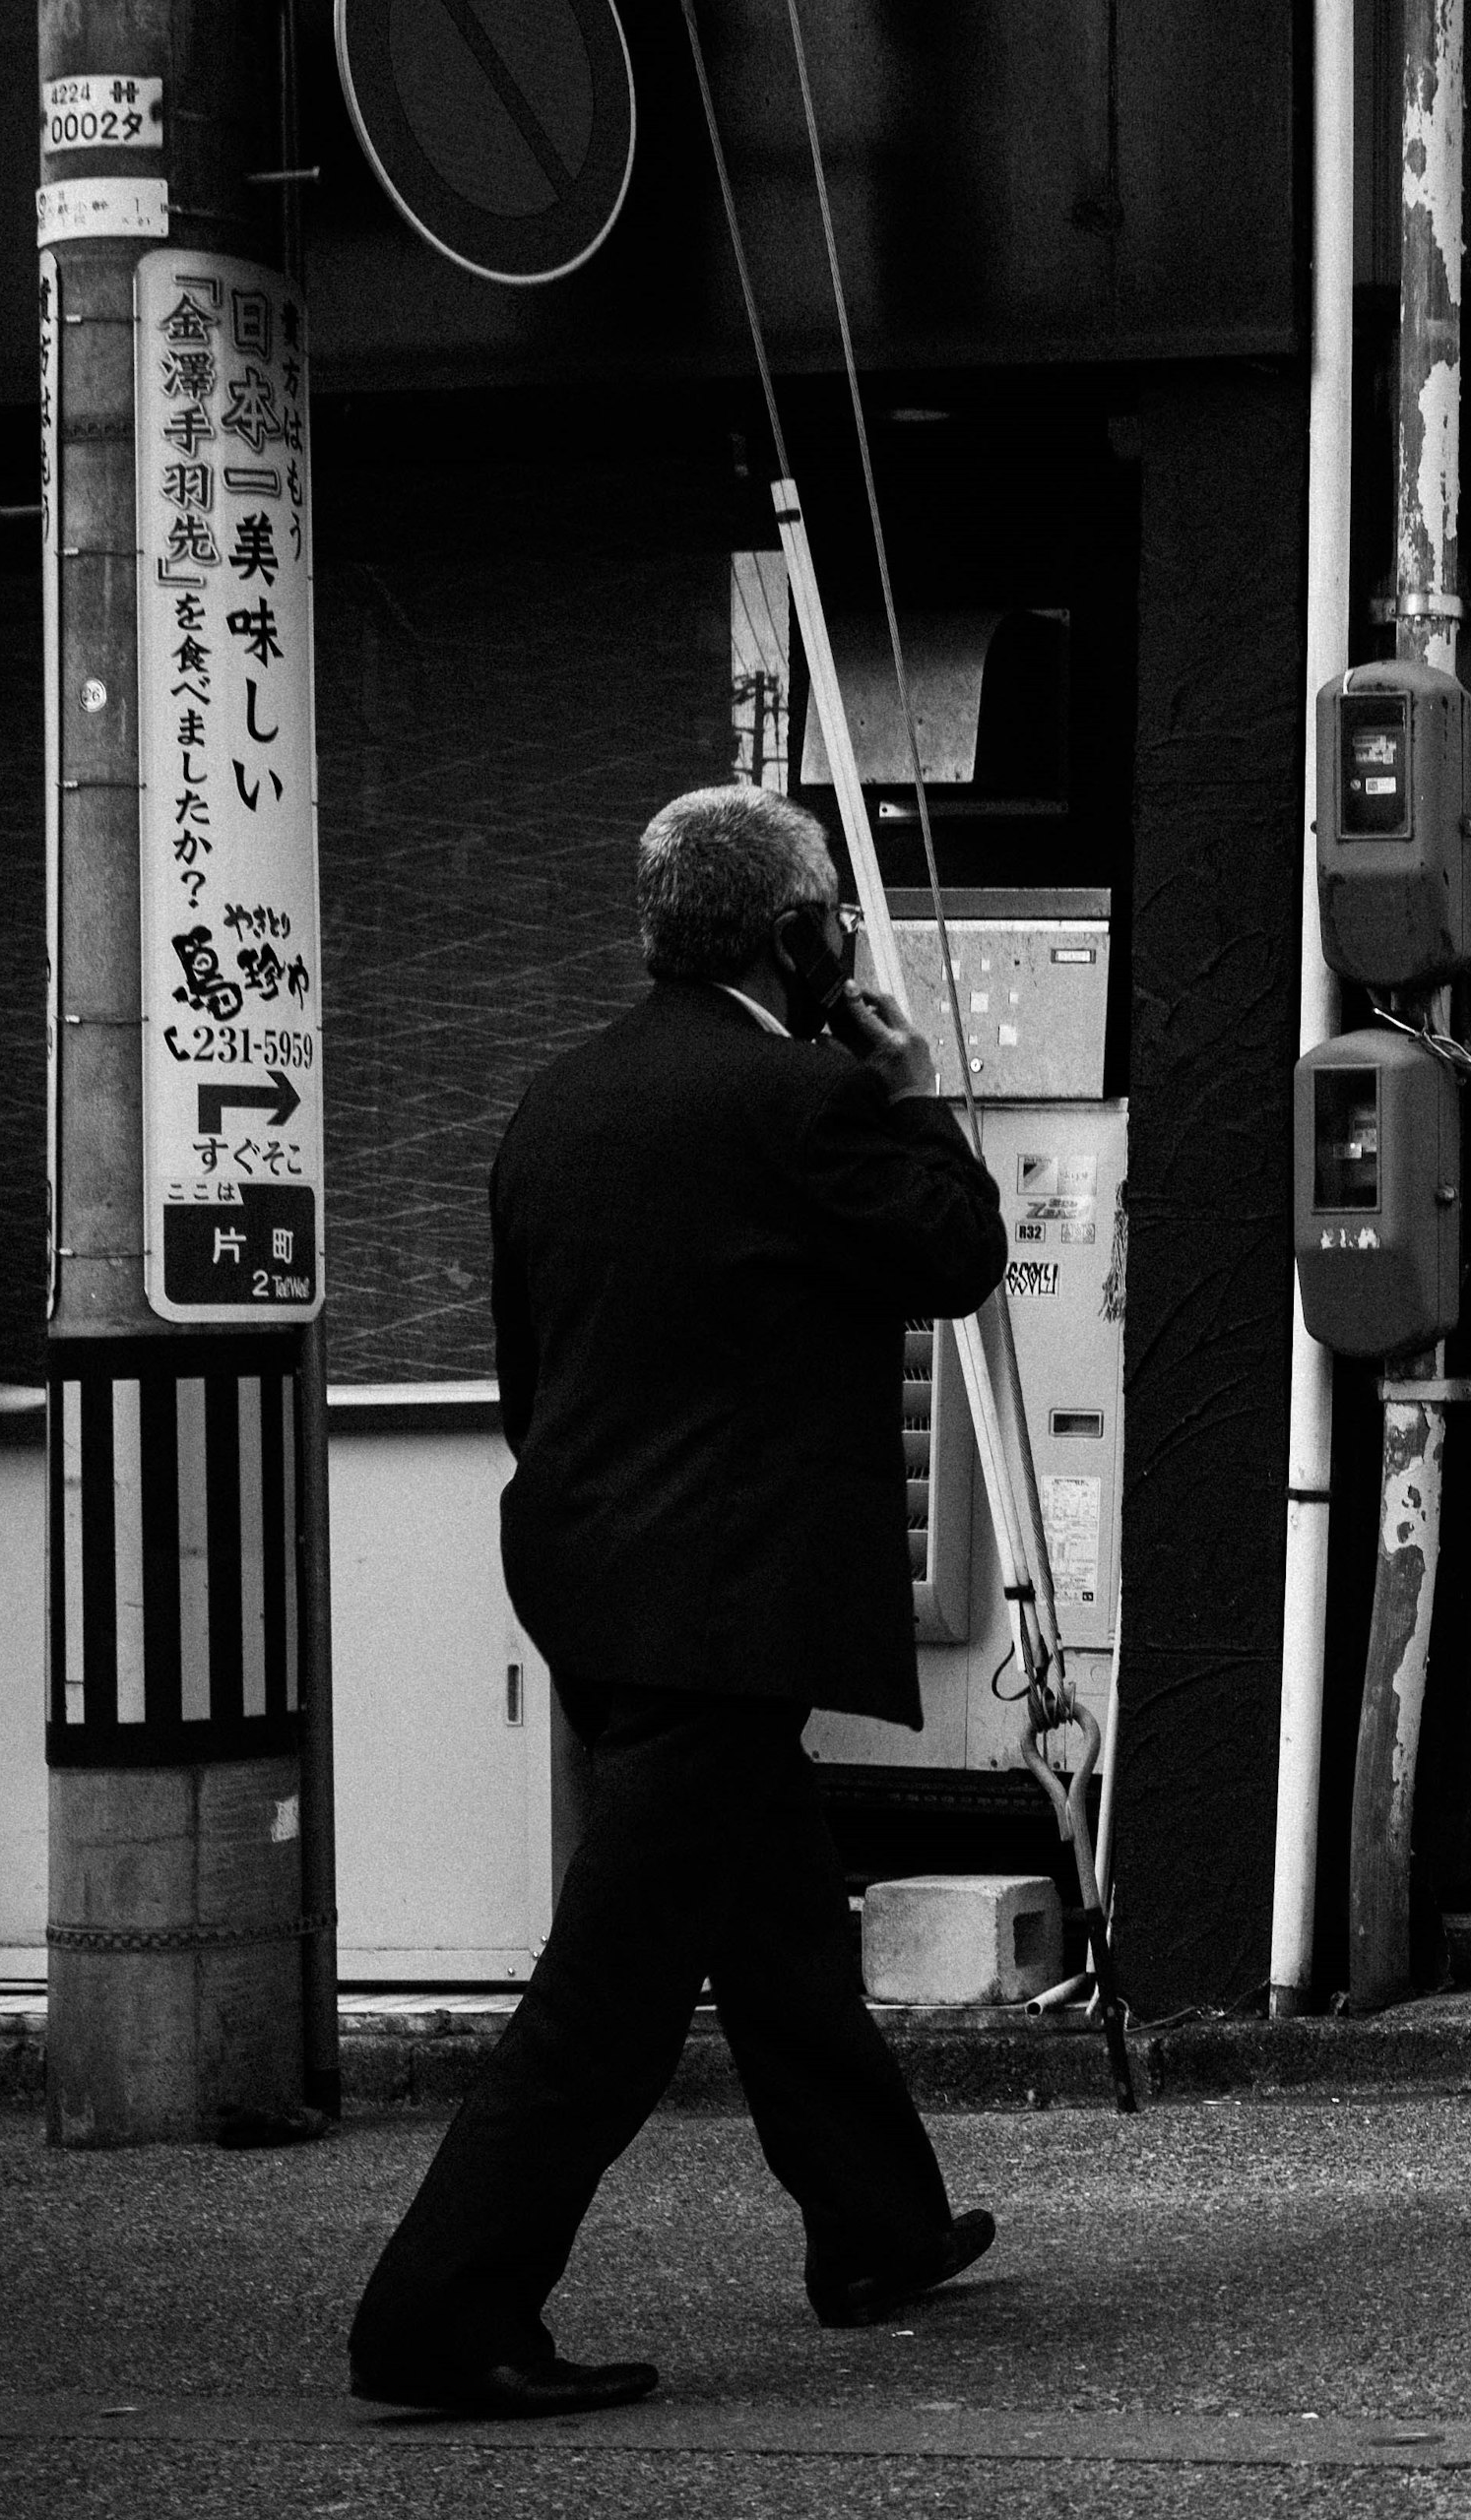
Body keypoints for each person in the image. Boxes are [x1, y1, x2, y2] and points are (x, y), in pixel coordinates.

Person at [348, 786, 1011, 2417]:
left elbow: (535, 1368)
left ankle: (877, 2228)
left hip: (596, 1580)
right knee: (616, 1989)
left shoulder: (557, 1102)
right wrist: (908, 1088)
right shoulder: (805, 1104)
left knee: (776, 1923)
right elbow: (959, 1252)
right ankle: (443, 2311)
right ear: (797, 936)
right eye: (831, 915)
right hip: (727, 1607)